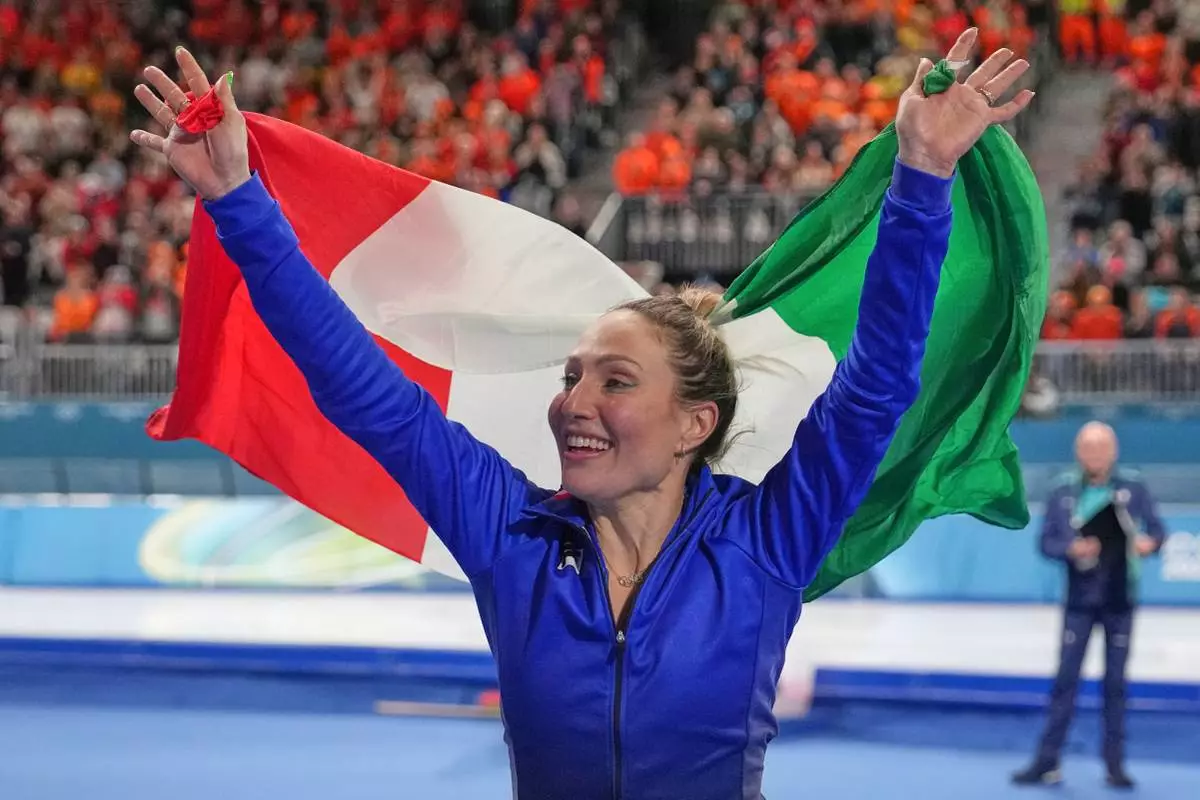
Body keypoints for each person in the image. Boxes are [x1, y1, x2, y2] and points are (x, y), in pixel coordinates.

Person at [131, 30, 1032, 800]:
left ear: (695, 423)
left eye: (614, 381)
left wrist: (922, 174)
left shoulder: (768, 540)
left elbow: (876, 383)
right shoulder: (506, 533)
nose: (573, 404)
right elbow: (359, 386)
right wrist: (240, 204)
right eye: (572, 377)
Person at [1012, 421, 1165, 790]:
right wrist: (1071, 549)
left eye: (1102, 448)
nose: (1095, 455)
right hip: (1079, 600)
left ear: (1113, 451)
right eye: (1088, 448)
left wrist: (1148, 544)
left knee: (1115, 685)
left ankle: (1115, 766)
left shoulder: (1133, 485)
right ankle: (1047, 761)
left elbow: (1158, 532)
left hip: (1119, 600)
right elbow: (1046, 542)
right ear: (1078, 452)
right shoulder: (1062, 488)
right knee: (1065, 681)